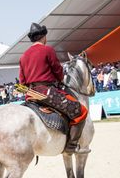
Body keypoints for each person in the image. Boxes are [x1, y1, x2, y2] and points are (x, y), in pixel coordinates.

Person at [19, 22, 89, 154]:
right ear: (43, 37)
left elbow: (21, 84)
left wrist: (29, 93)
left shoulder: (23, 57)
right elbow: (58, 72)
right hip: (47, 93)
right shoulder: (48, 50)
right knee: (81, 111)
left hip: (30, 95)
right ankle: (71, 146)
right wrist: (60, 80)